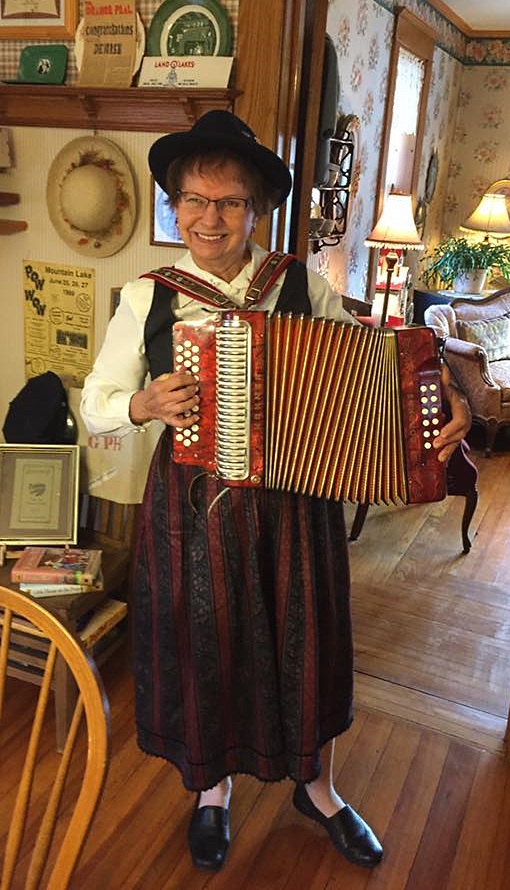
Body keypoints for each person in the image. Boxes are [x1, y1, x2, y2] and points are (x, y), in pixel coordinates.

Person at [80, 111, 471, 873]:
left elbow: (374, 368)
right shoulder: (147, 298)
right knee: (207, 645)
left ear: (255, 208)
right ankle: (213, 790)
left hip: (296, 506)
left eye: (228, 202)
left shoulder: (297, 282)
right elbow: (96, 398)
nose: (208, 217)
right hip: (192, 508)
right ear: (175, 205)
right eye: (192, 200)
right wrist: (140, 404)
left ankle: (318, 787)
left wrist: (441, 390)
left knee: (309, 640)